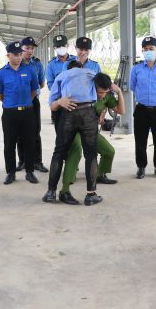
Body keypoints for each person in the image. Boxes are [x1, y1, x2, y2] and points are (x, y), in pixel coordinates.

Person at [43, 64, 102, 206]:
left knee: (59, 154)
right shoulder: (92, 73)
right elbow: (103, 90)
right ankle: (90, 195)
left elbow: (52, 106)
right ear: (81, 67)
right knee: (91, 155)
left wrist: (59, 102)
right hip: (89, 112)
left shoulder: (62, 75)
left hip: (68, 112)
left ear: (68, 68)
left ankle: (51, 192)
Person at [59, 72, 124, 199]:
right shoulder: (82, 93)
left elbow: (121, 111)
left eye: (104, 92)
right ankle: (65, 190)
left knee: (109, 151)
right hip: (74, 129)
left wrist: (119, 92)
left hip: (90, 130)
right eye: (99, 92)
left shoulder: (107, 95)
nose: (101, 95)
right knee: (76, 151)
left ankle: (99, 175)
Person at [0, 41, 40, 185]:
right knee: (9, 144)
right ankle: (11, 172)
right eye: (15, 54)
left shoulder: (29, 70)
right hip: (10, 113)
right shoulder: (1, 74)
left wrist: (25, 103)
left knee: (29, 142)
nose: (19, 57)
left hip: (27, 112)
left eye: (20, 54)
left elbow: (34, 90)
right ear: (8, 55)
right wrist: (12, 105)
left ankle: (30, 171)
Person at [130, 36, 156, 179]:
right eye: (146, 49)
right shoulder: (136, 68)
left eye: (151, 49)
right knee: (140, 140)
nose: (148, 51)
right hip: (141, 109)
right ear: (142, 50)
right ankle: (141, 167)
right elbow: (132, 86)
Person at [15, 36, 48, 173]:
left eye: (32, 48)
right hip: (18, 101)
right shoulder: (16, 63)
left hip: (33, 101)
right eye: (27, 48)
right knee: (19, 132)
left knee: (35, 131)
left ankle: (37, 161)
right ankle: (22, 160)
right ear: (21, 49)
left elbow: (41, 83)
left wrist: (33, 93)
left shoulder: (37, 64)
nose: (30, 51)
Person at [46, 34, 77, 128]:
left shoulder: (76, 60)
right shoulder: (51, 65)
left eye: (63, 45)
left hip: (75, 101)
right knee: (61, 133)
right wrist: (61, 91)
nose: (61, 48)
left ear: (67, 45)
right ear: (54, 48)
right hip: (59, 101)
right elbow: (50, 84)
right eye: (58, 46)